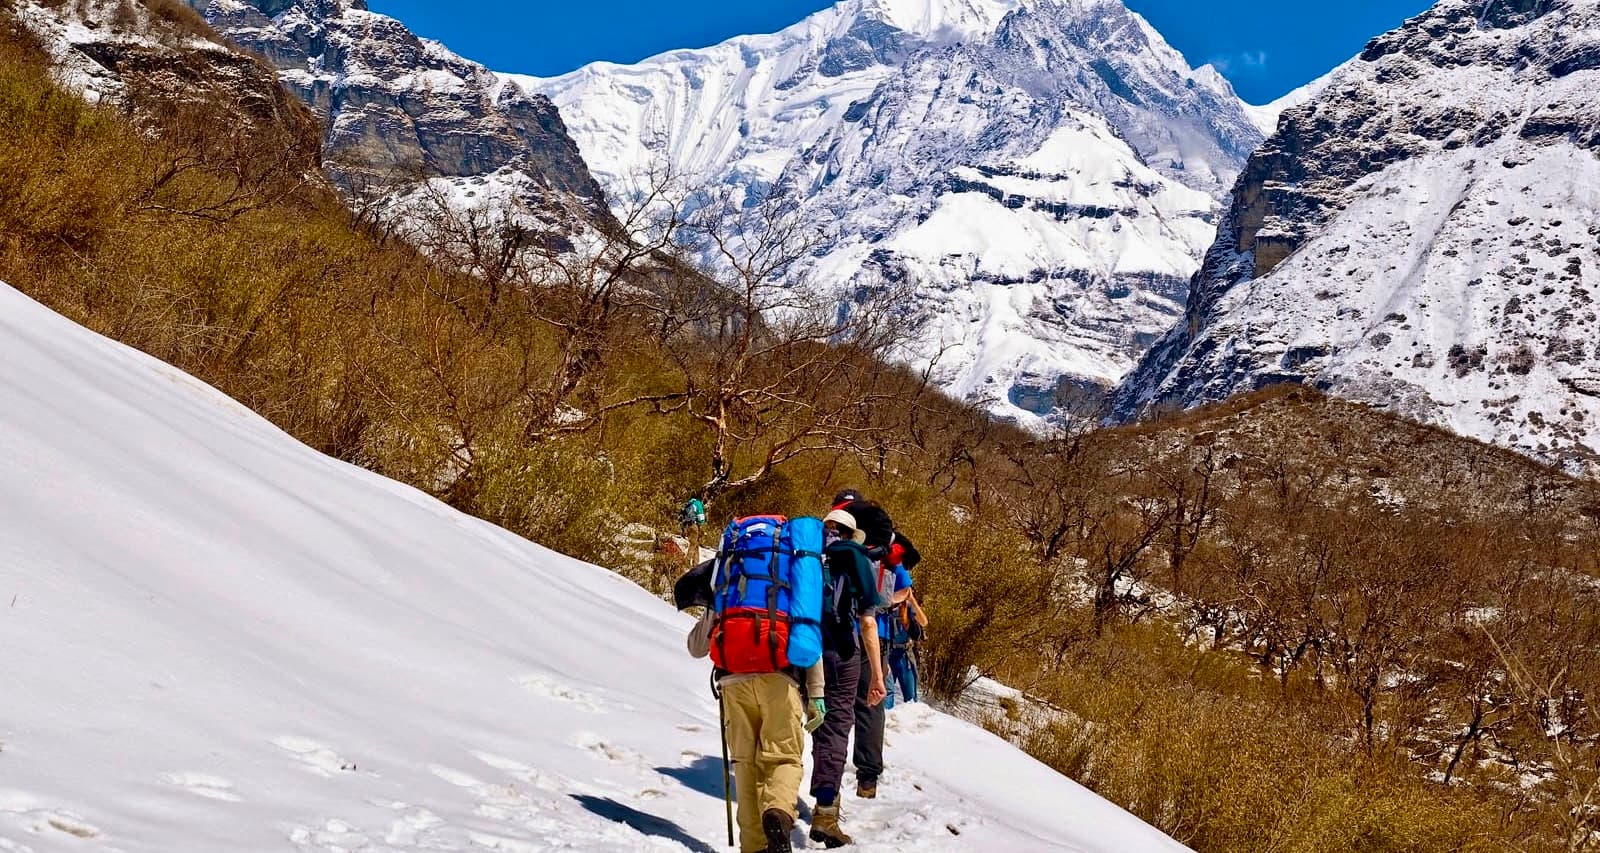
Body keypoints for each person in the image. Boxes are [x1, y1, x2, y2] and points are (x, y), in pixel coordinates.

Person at [688, 606, 825, 853]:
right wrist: (816, 693)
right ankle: (778, 812)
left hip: (733, 682)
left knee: (745, 766)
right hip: (779, 680)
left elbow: (696, 648)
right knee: (784, 758)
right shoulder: (790, 571)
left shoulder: (725, 575)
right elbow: (808, 633)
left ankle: (752, 847)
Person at [808, 509, 887, 848]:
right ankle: (826, 812)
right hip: (840, 653)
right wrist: (878, 675)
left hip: (800, 647)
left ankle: (779, 798)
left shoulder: (804, 553)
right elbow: (868, 623)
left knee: (805, 720)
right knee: (836, 726)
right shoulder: (856, 559)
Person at [829, 488, 914, 800]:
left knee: (831, 702)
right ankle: (868, 780)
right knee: (871, 703)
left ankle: (827, 778)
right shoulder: (884, 546)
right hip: (875, 634)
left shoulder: (833, 543)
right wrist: (879, 605)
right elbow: (904, 591)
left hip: (835, 630)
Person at [884, 588, 928, 708]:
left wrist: (911, 599)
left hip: (904, 655)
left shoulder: (906, 607)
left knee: (911, 699)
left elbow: (924, 621)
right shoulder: (883, 606)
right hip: (887, 654)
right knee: (887, 694)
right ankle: (886, 723)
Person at [678, 496, 707, 564]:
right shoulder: (697, 503)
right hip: (695, 525)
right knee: (693, 544)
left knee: (695, 544)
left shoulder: (688, 504)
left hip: (688, 526)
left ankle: (696, 562)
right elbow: (700, 515)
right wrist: (701, 525)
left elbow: (682, 517)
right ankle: (687, 561)